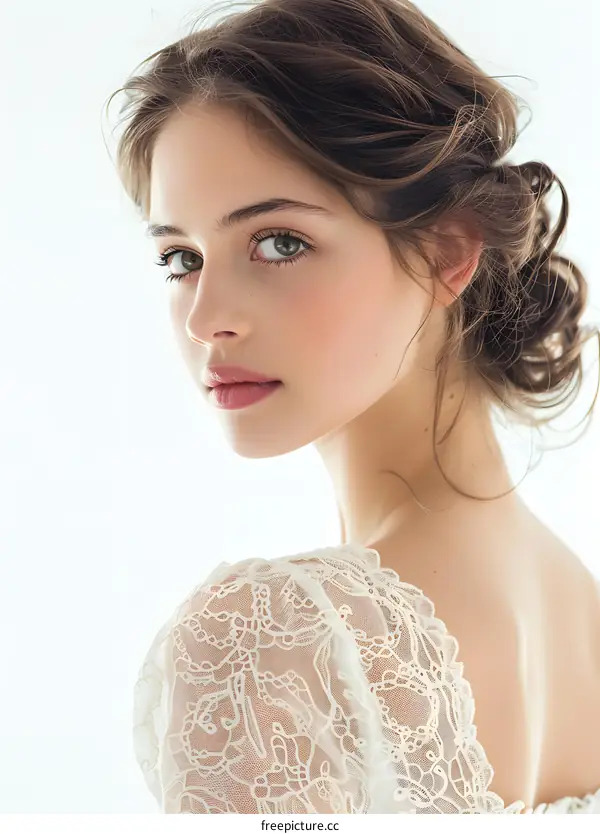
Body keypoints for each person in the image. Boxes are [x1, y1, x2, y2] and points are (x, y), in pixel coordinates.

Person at [104, 0, 600, 814]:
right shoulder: (579, 608)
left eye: (278, 242)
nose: (206, 317)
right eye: (182, 258)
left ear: (447, 250)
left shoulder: (274, 639)